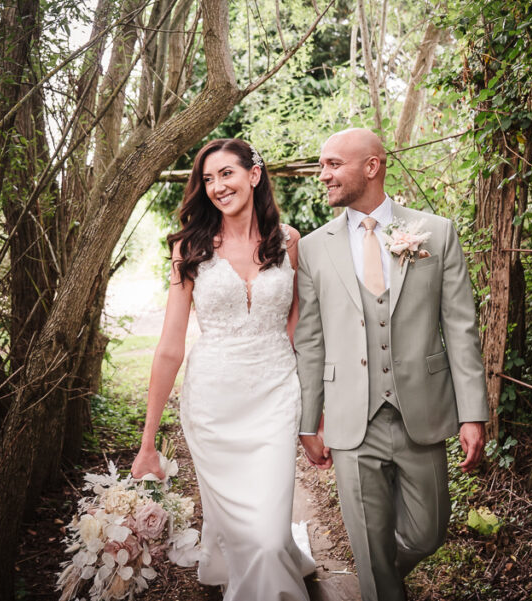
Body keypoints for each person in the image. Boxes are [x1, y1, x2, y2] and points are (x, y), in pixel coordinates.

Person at [294, 127, 489, 601]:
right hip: (348, 418)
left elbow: (460, 327)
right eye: (323, 165)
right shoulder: (313, 247)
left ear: (372, 166)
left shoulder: (435, 233)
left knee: (428, 533)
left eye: (333, 164)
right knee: (368, 547)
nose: (324, 175)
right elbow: (311, 340)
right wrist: (308, 421)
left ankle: (380, 579)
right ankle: (379, 584)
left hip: (420, 411)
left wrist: (472, 413)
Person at [131, 138, 315, 600]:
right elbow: (171, 346)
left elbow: (298, 334)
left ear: (254, 175)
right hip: (213, 405)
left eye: (226, 174)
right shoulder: (189, 248)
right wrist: (148, 441)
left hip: (276, 396)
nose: (216, 187)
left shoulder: (289, 242)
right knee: (244, 531)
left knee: (270, 535)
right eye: (208, 179)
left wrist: (316, 416)